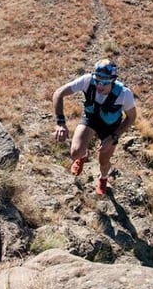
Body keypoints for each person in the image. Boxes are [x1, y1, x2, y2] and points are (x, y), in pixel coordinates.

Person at [52, 58, 137, 195]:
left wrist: (113, 137)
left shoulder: (124, 94)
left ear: (113, 80)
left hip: (110, 128)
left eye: (105, 82)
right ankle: (83, 156)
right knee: (75, 152)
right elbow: (58, 93)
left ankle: (103, 178)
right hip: (91, 119)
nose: (100, 86)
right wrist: (60, 123)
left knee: (103, 161)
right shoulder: (87, 81)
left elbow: (131, 117)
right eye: (97, 80)